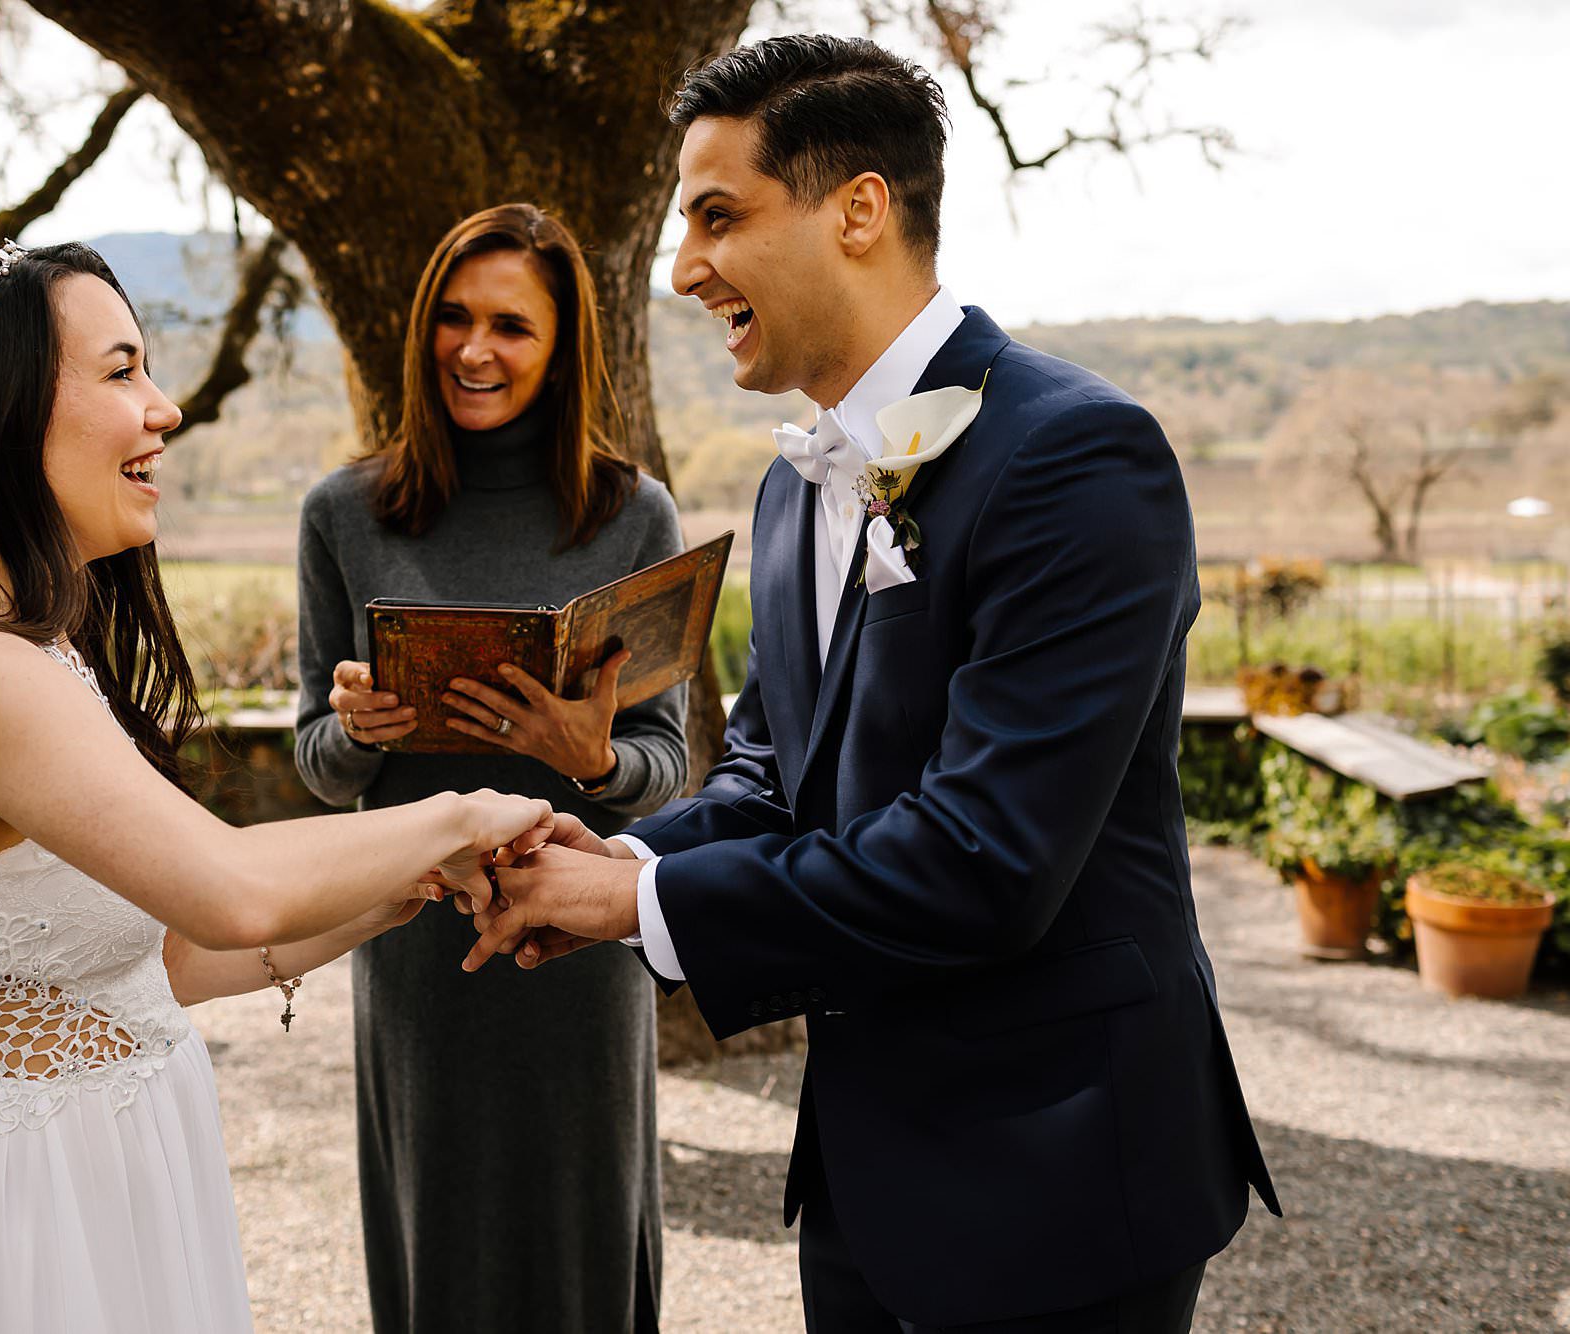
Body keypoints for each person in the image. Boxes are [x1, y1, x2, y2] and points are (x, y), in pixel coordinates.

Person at [469, 35, 1282, 1334]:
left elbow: (985, 857)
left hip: (1063, 1168)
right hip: (864, 1171)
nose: (682, 271)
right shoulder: (798, 482)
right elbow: (773, 773)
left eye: (718, 217)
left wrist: (644, 898)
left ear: (859, 208)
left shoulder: (1078, 456)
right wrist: (612, 849)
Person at [0, 240, 552, 1334]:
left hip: (113, 1165)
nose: (165, 407)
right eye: (121, 370)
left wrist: (409, 880)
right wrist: (465, 811)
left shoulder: (22, 655)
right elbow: (227, 887)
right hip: (46, 1207)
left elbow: (170, 958)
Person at [294, 203, 687, 1332]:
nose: (475, 349)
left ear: (563, 344)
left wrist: (595, 756)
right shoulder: (344, 512)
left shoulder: (629, 513)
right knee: (436, 1247)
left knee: (580, 1243)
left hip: (577, 949)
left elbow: (674, 766)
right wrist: (355, 732)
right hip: (419, 957)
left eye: (510, 325)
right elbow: (314, 766)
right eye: (453, 319)